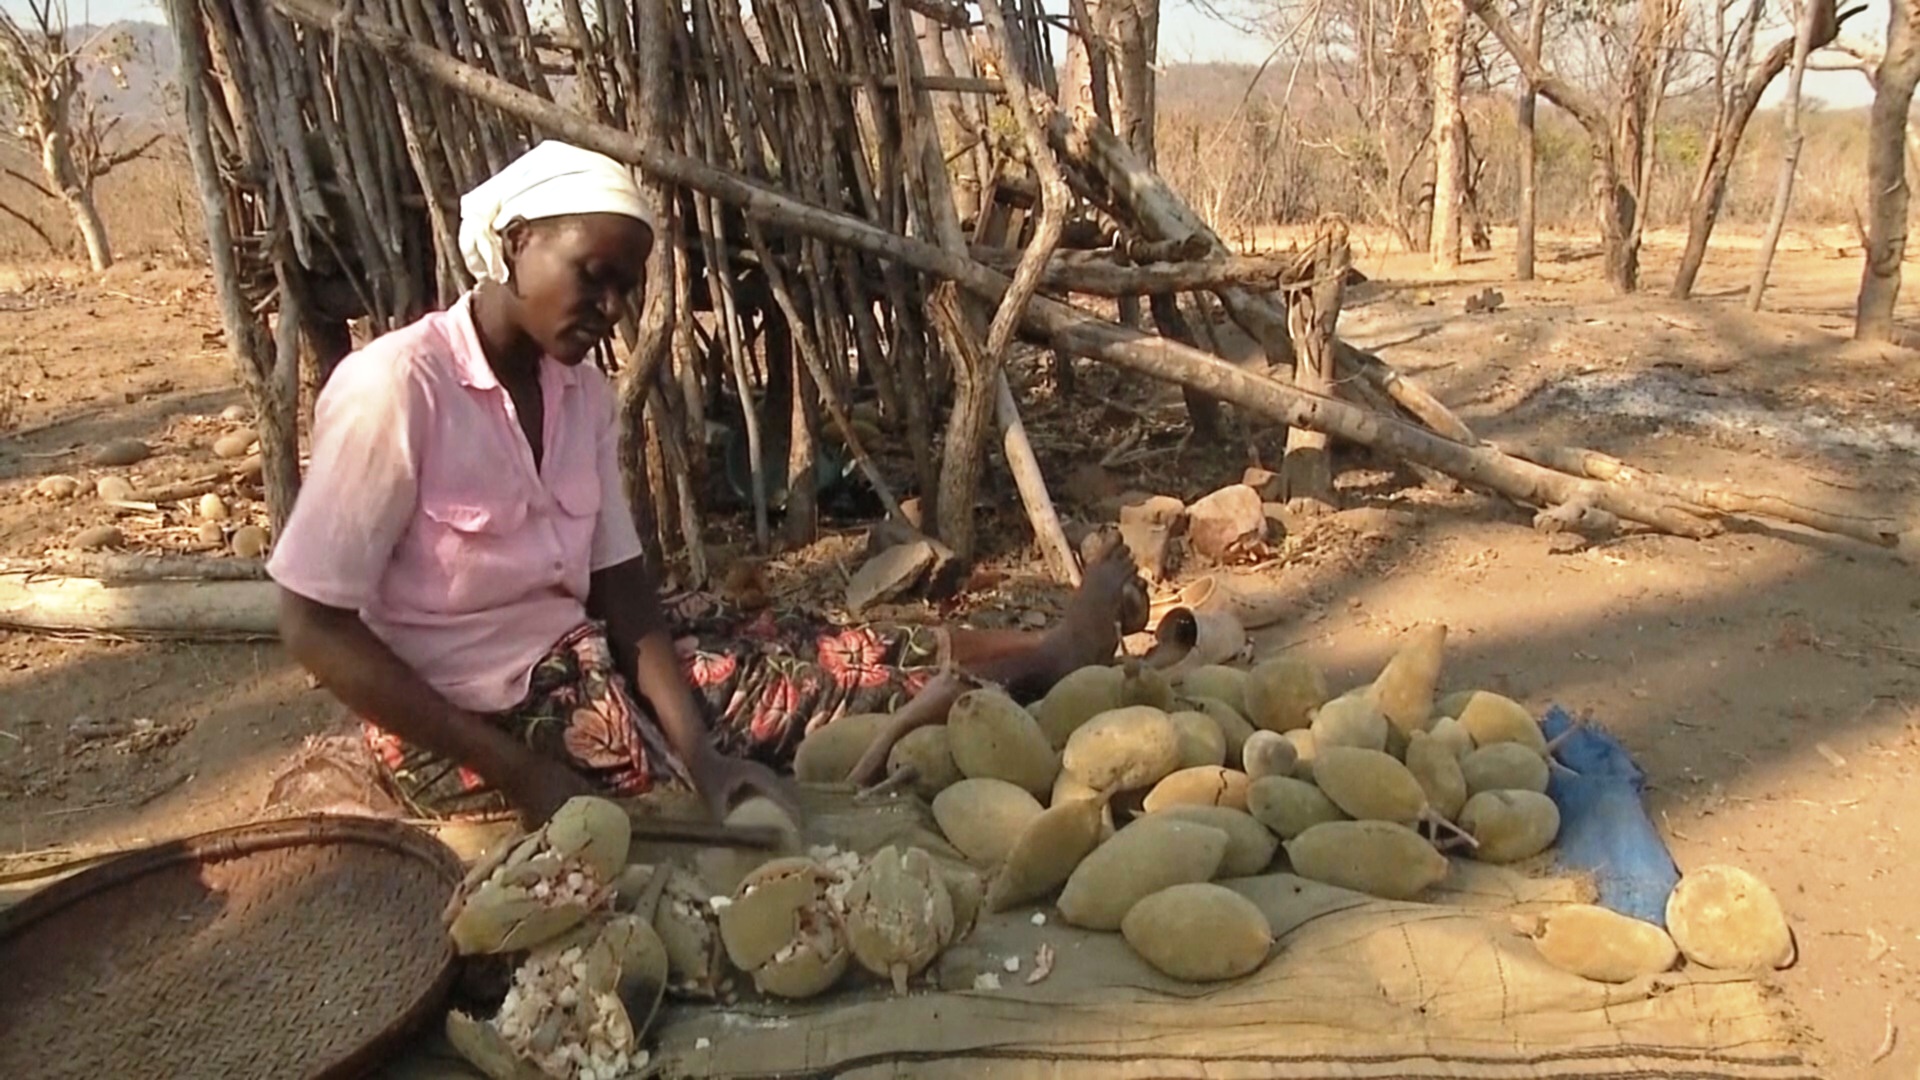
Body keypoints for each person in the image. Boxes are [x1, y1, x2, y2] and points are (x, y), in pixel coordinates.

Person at [268, 140, 1148, 828]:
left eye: (625, 289)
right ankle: (1043, 665)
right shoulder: (398, 387)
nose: (610, 309)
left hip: (577, 641)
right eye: (593, 277)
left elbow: (620, 585)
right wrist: (518, 771)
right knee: (800, 692)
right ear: (514, 243)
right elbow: (313, 625)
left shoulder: (577, 391)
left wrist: (698, 753)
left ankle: (1039, 645)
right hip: (471, 716)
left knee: (812, 635)